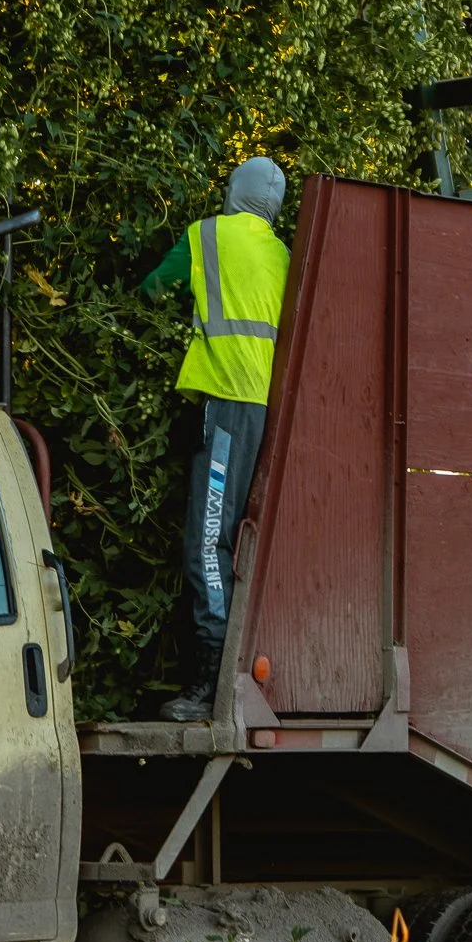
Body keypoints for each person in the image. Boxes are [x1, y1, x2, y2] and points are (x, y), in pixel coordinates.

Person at [140, 157, 291, 722]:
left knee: (207, 543)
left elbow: (155, 288)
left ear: (236, 192)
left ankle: (208, 685)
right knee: (239, 542)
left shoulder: (207, 235)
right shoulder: (283, 255)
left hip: (225, 403)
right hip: (266, 411)